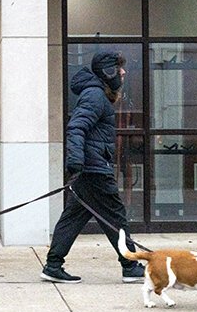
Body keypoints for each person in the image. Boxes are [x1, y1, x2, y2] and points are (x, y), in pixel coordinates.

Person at [40, 51, 145, 284]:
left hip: (89, 168)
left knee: (73, 217)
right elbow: (76, 127)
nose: (124, 72)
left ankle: (53, 265)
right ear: (109, 72)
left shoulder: (97, 94)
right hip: (93, 169)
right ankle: (130, 265)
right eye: (119, 68)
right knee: (116, 217)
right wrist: (75, 162)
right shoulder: (95, 96)